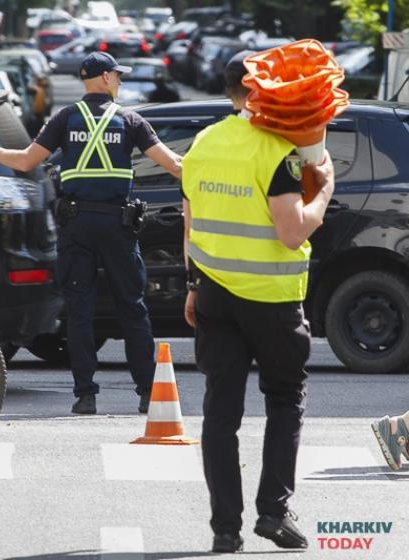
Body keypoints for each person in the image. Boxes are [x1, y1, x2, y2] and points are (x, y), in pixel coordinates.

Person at [181, 51, 335, 553]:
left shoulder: (203, 143)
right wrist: (324, 191)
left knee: (220, 412)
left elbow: (190, 220)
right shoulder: (278, 150)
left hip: (214, 294)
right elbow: (292, 232)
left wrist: (192, 284)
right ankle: (273, 511)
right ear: (264, 92)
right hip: (271, 300)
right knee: (285, 399)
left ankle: (225, 529)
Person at [0, 51, 182, 415]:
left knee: (80, 312)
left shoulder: (65, 118)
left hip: (77, 225)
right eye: (117, 75)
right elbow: (175, 166)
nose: (120, 81)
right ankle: (148, 392)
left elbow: (25, 161)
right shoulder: (130, 119)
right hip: (118, 225)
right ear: (103, 78)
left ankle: (85, 395)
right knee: (133, 308)